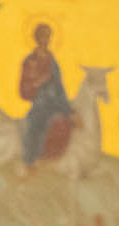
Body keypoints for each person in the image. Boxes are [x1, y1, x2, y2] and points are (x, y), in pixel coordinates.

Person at [18, 22, 75, 166]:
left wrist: (69, 110)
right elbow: (23, 88)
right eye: (43, 36)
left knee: (70, 122)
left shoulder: (52, 61)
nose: (46, 40)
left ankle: (57, 158)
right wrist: (38, 82)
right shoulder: (30, 61)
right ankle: (30, 160)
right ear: (37, 38)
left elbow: (60, 87)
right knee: (36, 124)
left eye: (48, 36)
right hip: (40, 103)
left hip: (56, 102)